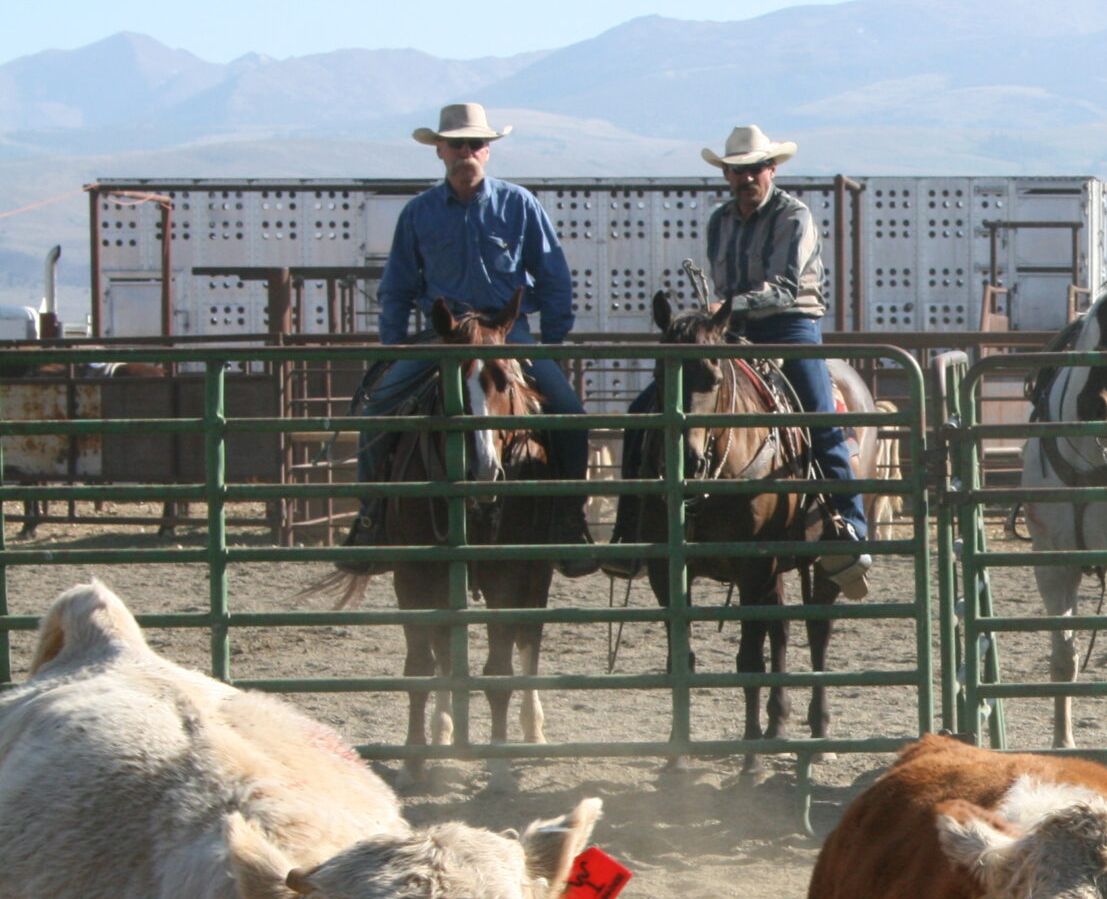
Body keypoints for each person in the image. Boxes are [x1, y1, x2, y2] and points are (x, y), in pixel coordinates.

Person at [608, 126, 868, 588]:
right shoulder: (720, 220)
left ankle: (847, 526)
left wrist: (726, 309)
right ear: (727, 174)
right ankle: (630, 532)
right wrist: (715, 318)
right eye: (737, 170)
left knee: (818, 415)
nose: (746, 178)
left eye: (754, 169)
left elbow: (786, 289)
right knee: (643, 410)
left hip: (790, 326)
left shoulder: (795, 216)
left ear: (772, 169)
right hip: (732, 329)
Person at [342, 102, 593, 574]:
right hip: (445, 336)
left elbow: (553, 275)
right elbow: (396, 286)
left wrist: (553, 341)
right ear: (439, 150)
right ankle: (372, 517)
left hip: (507, 333)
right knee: (378, 409)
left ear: (488, 151)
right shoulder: (419, 213)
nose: (466, 152)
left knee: (570, 415)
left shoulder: (519, 205)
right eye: (456, 144)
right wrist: (393, 348)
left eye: (475, 144)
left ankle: (567, 518)